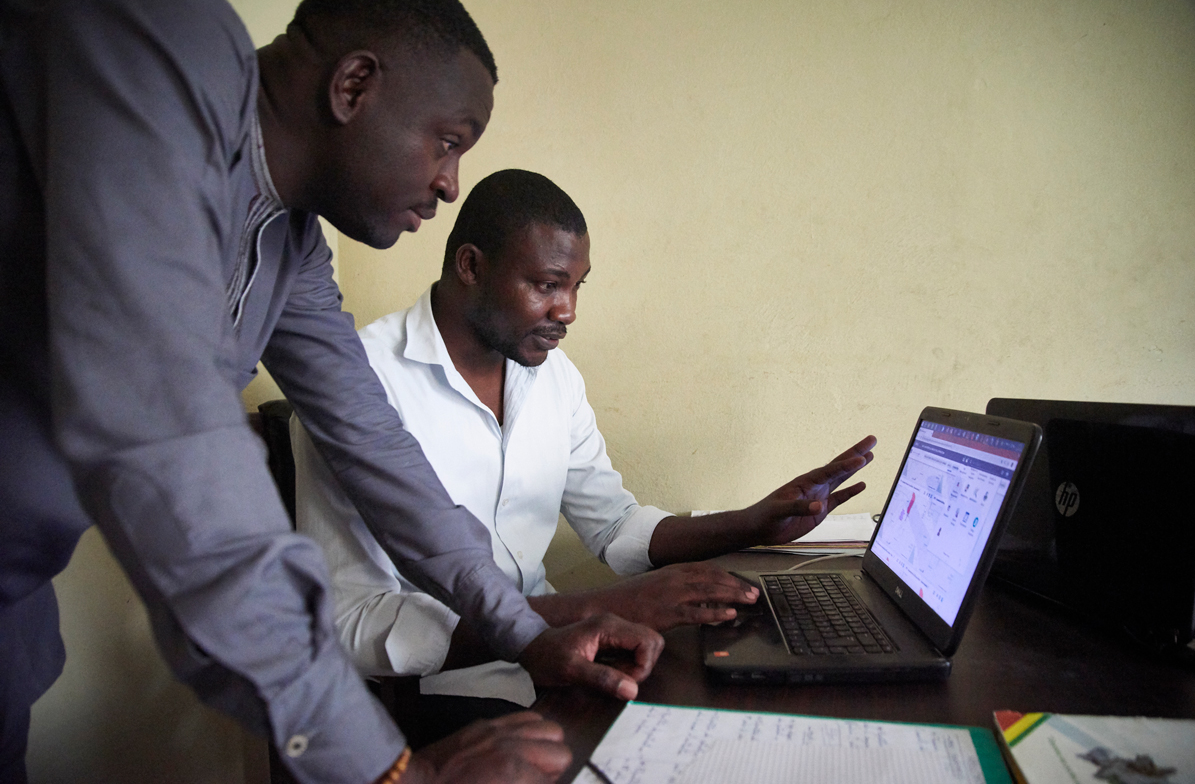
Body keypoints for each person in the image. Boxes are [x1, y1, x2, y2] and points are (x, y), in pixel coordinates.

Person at [0, 0, 661, 782]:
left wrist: (522, 631)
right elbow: (171, 445)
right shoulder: (163, 37)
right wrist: (391, 769)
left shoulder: (292, 246)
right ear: (353, 87)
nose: (452, 184)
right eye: (448, 142)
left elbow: (381, 450)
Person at [293, 169, 877, 718]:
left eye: (575, 287)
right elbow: (354, 622)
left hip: (559, 659)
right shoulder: (359, 385)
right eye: (547, 285)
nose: (567, 310)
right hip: (438, 692)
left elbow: (615, 526)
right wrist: (601, 608)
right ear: (470, 265)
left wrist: (750, 525)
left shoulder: (551, 375)